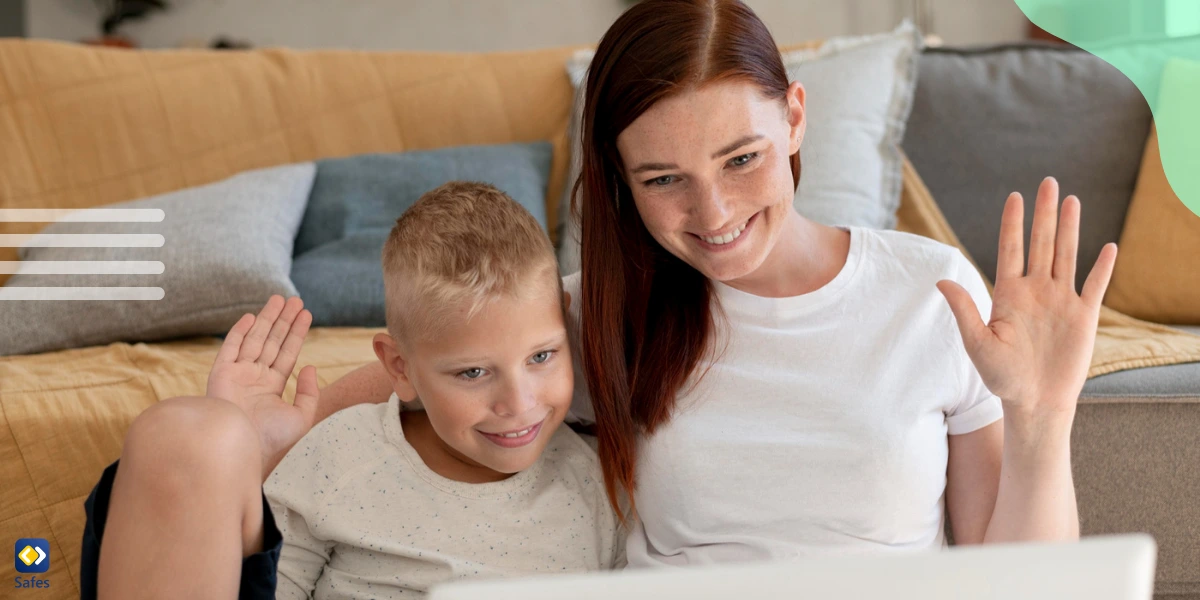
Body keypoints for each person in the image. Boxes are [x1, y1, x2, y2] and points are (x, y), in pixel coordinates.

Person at [322, 0, 1115, 567]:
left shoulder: (930, 291)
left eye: (743, 159)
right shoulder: (600, 311)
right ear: (620, 180)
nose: (714, 212)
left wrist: (1041, 417)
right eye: (665, 178)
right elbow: (421, 368)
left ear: (796, 118)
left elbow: (1015, 583)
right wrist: (254, 427)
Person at [81, 182, 622, 599]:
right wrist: (250, 459)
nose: (519, 404)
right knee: (182, 430)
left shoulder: (596, 480)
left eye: (542, 357)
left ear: (568, 325)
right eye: (472, 373)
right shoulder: (342, 454)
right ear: (399, 367)